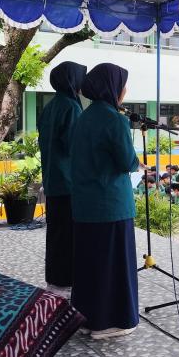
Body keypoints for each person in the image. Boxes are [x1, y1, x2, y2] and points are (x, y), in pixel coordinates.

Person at [70, 63, 140, 339]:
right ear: (112, 87)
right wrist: (136, 162)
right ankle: (111, 322)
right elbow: (127, 162)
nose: (125, 90)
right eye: (122, 84)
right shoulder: (115, 120)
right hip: (111, 206)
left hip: (85, 205)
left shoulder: (83, 117)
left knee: (90, 264)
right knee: (114, 265)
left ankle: (88, 320)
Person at [37, 61, 86, 298]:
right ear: (72, 80)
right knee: (69, 234)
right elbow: (75, 147)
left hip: (52, 179)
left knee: (56, 233)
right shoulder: (72, 107)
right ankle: (67, 279)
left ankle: (55, 278)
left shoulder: (50, 106)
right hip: (68, 182)